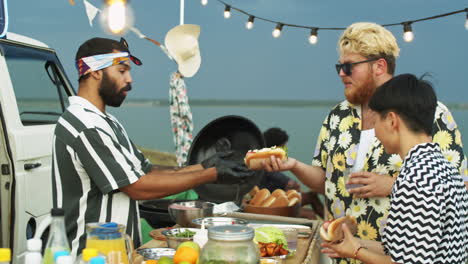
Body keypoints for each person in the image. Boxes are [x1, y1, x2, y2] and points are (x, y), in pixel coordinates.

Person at [264, 22, 467, 263]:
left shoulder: (430, 112)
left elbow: (457, 187)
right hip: (346, 253)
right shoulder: (336, 116)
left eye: (349, 66)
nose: (341, 73)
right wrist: (294, 164)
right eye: (339, 66)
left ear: (379, 66)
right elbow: (327, 182)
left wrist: (393, 184)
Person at [51, 37, 252, 257]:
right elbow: (138, 187)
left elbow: (147, 171)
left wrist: (203, 165)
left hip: (118, 253)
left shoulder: (106, 121)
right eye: (122, 71)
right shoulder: (85, 124)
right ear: (95, 71)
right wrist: (212, 174)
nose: (130, 79)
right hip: (91, 255)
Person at [322, 73, 468, 263]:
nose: (375, 132)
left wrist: (356, 251)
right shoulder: (445, 170)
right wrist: (350, 243)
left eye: (375, 122)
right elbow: (403, 249)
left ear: (392, 121)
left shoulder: (416, 179)